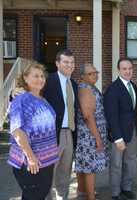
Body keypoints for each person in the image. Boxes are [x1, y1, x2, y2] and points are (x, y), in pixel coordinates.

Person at [7, 62, 59, 200]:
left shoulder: (43, 100)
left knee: (40, 195)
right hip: (31, 162)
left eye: (42, 76)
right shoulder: (21, 100)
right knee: (32, 196)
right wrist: (30, 157)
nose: (40, 79)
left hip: (46, 160)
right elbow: (17, 131)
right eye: (36, 76)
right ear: (25, 78)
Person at [44, 49, 78, 200]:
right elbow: (32, 93)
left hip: (69, 133)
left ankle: (62, 197)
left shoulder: (74, 85)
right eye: (66, 62)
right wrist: (16, 93)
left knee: (65, 172)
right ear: (57, 64)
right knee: (49, 172)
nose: (69, 65)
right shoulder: (48, 80)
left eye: (72, 62)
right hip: (52, 134)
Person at [104, 58, 137, 200]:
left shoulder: (133, 86)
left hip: (132, 132)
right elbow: (111, 116)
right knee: (116, 165)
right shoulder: (113, 89)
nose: (128, 71)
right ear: (119, 70)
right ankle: (115, 192)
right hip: (119, 135)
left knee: (129, 162)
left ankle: (126, 187)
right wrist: (118, 138)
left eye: (130, 68)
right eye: (124, 69)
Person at [74, 63, 108, 200]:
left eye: (96, 72)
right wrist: (98, 139)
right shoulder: (86, 89)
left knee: (84, 165)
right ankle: (90, 196)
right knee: (90, 167)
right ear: (82, 76)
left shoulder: (89, 87)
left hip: (89, 134)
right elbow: (88, 116)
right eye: (91, 73)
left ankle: (83, 191)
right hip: (89, 135)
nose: (95, 75)